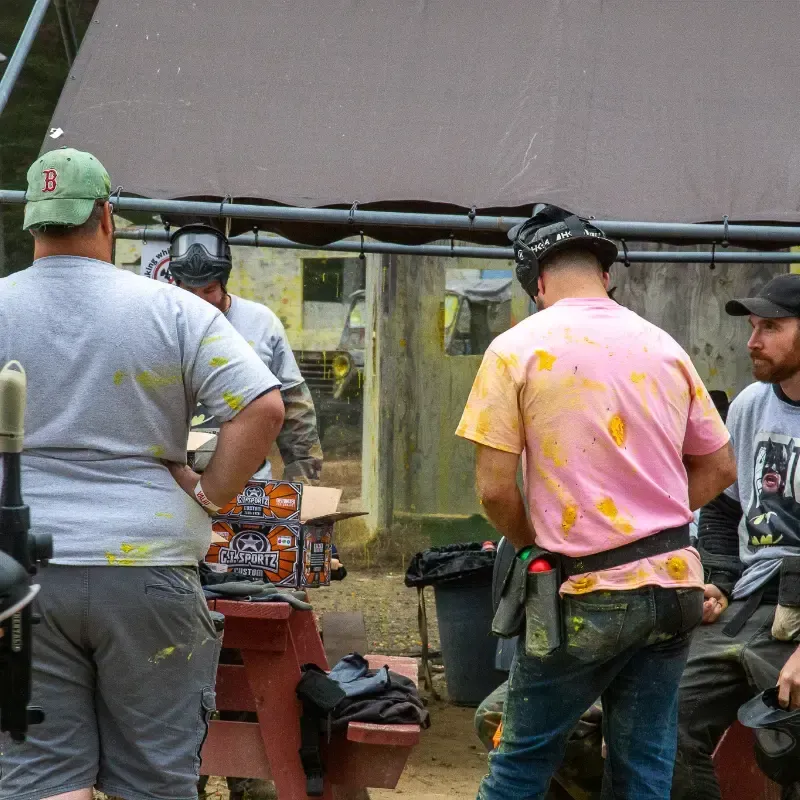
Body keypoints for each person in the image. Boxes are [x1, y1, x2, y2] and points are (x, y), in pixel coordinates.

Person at [0, 148, 285, 800]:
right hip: (149, 570)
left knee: (39, 776)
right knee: (155, 780)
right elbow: (264, 408)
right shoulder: (175, 310)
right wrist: (210, 494)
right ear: (107, 215)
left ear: (33, 221)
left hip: (19, 575)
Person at [456, 204, 736, 799]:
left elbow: (494, 488)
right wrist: (650, 521)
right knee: (643, 768)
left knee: (520, 763)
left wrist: (535, 541)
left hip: (585, 593)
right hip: (673, 587)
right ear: (605, 275)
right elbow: (718, 467)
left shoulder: (516, 350)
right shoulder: (665, 348)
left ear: (536, 281)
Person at [672, 274, 800, 800]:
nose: (753, 341)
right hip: (751, 603)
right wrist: (720, 579)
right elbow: (725, 509)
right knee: (662, 715)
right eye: (752, 327)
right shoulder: (748, 404)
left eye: (770, 327)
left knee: (790, 743)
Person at [168, 223, 323, 483]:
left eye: (209, 290)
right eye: (189, 292)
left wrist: (303, 486)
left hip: (248, 488)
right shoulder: (161, 324)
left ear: (223, 283)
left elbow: (295, 408)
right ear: (176, 284)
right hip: (174, 486)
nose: (199, 301)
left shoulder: (261, 323)